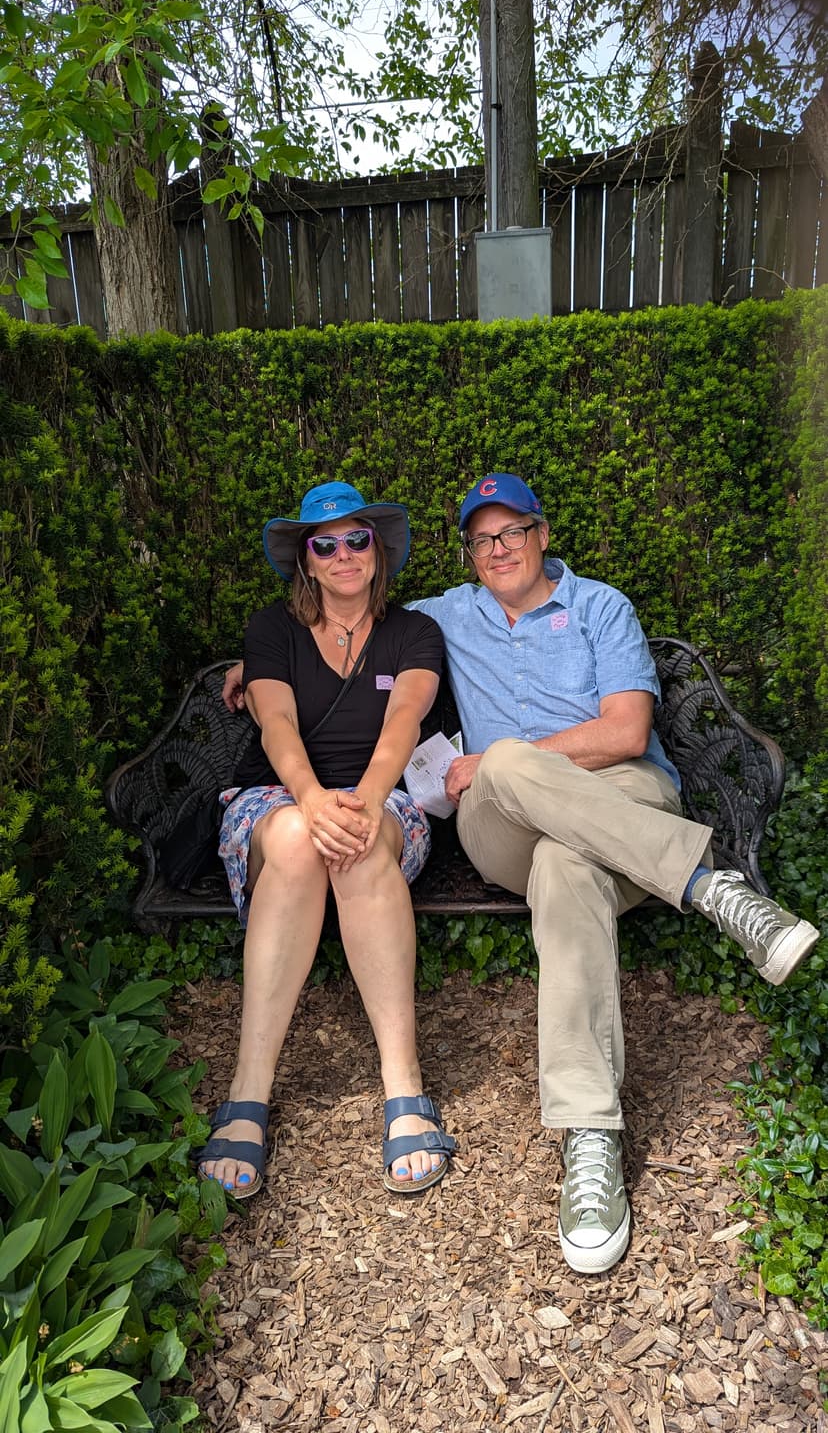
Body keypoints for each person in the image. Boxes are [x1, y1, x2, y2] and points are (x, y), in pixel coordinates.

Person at [222, 473, 819, 1271]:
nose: (497, 549)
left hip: (617, 802)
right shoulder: (446, 616)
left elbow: (626, 730)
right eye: (481, 539)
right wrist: (248, 671)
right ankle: (709, 885)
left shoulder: (600, 607)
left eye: (511, 533)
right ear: (467, 554)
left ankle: (590, 1143)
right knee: (500, 770)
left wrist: (498, 763)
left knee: (561, 850)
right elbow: (324, 646)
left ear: (542, 535)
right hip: (502, 821)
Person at [198, 481, 456, 1201]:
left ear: (379, 550)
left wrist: (366, 804)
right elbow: (275, 725)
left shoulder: (414, 634)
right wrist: (312, 802)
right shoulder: (271, 632)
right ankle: (249, 1087)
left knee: (361, 844)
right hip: (280, 796)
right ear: (305, 561)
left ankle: (402, 1085)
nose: (343, 554)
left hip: (381, 799)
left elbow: (404, 722)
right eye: (325, 543)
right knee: (291, 839)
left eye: (357, 539)